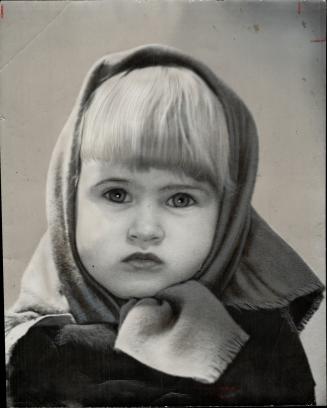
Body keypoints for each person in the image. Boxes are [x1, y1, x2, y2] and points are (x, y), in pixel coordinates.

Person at [5, 44, 324, 406]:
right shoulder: (31, 350)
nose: (145, 229)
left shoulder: (267, 349)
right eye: (116, 194)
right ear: (69, 202)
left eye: (180, 199)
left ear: (228, 219)